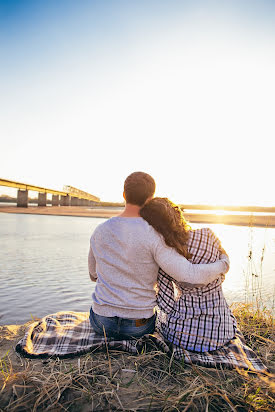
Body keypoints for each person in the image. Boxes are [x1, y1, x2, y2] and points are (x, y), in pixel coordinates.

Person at [88, 172, 230, 340]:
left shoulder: (100, 231)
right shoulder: (154, 235)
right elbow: (189, 274)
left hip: (101, 322)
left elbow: (93, 275)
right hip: (138, 326)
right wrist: (223, 264)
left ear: (124, 195)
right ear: (151, 198)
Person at [140, 197, 237, 352]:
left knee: (160, 321)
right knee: (230, 318)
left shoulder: (165, 253)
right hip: (221, 333)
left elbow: (166, 303)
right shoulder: (208, 234)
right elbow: (221, 276)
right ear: (177, 215)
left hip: (183, 337)